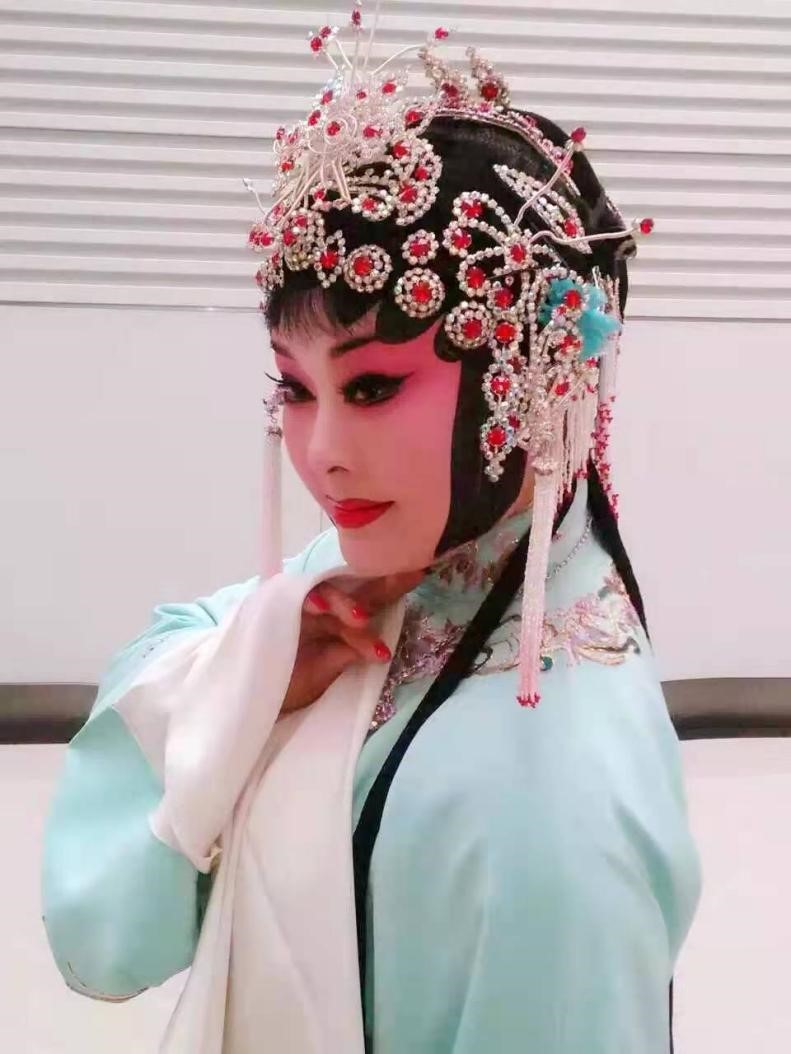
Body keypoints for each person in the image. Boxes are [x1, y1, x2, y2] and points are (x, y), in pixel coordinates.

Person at [42, 8, 702, 1053]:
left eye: (374, 385)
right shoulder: (394, 567)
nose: (322, 455)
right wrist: (259, 667)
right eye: (295, 388)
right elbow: (100, 932)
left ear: (538, 372)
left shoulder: (540, 817)